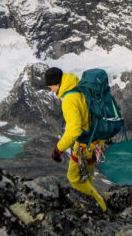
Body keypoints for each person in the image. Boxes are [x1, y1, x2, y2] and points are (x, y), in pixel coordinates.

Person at [45, 66, 108, 212]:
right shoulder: (79, 86)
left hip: (84, 145)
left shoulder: (69, 99)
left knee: (74, 177)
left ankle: (100, 207)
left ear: (57, 83)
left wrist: (58, 149)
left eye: (51, 87)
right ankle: (93, 203)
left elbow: (74, 130)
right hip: (96, 140)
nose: (51, 90)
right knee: (87, 176)